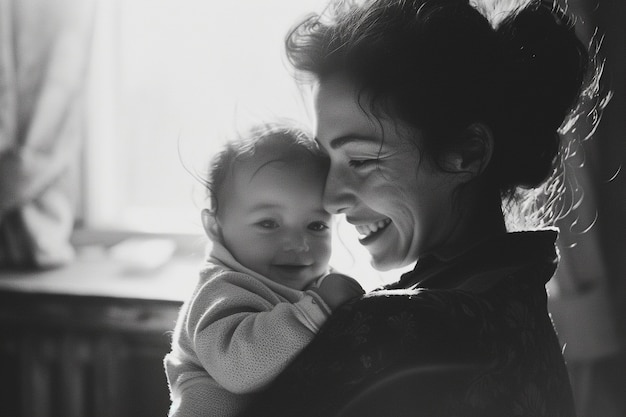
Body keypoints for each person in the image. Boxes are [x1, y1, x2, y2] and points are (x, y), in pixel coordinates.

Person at [242, 0, 600, 416]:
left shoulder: (391, 331)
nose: (330, 199)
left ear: (466, 153)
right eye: (327, 163)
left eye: (360, 161)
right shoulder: (519, 307)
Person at [163, 123, 365, 417]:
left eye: (316, 226)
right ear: (215, 227)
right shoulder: (221, 290)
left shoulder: (308, 286)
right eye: (269, 224)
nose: (298, 243)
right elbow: (239, 370)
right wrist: (316, 309)